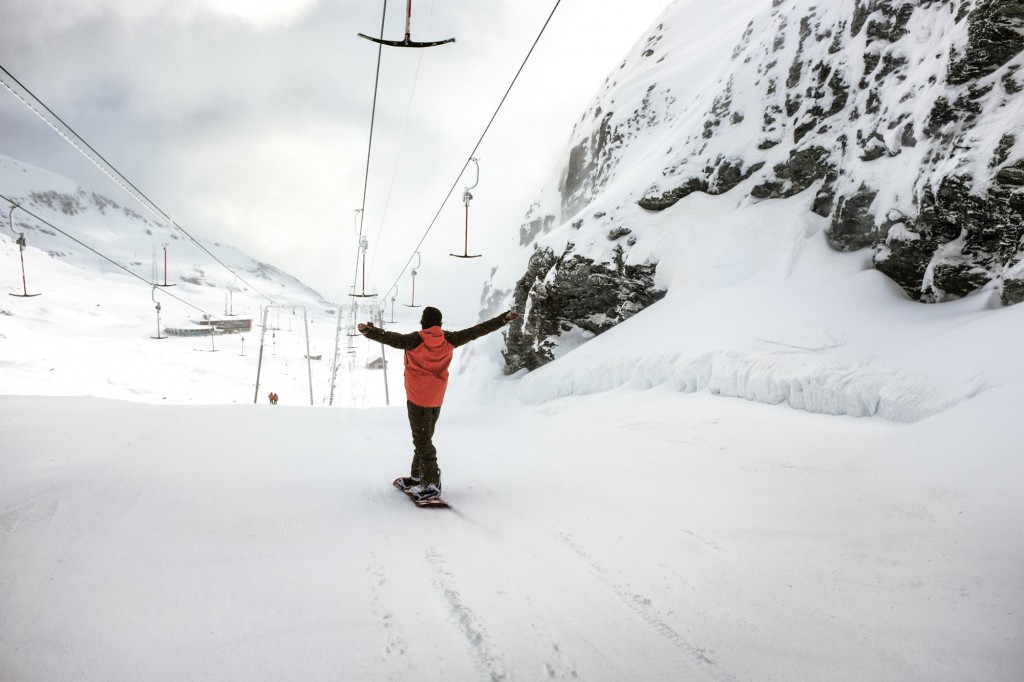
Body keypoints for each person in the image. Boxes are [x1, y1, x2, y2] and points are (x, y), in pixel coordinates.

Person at [358, 306, 519, 501]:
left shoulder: (414, 339)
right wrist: (503, 319)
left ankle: (431, 483)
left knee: (422, 441)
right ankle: (418, 477)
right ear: (439, 323)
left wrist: (370, 331)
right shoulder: (450, 339)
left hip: (417, 397)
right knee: (424, 437)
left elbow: (391, 338)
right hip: (435, 398)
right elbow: (478, 330)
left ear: (423, 322)